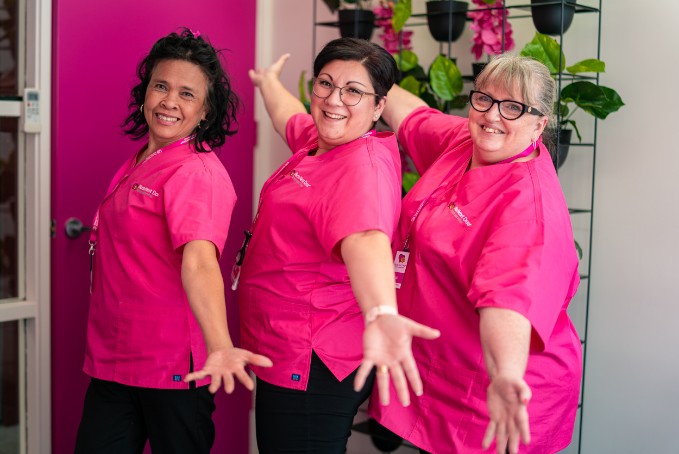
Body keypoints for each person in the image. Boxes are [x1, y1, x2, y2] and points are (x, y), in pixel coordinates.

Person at [370, 54, 583, 454]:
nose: (492, 116)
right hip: (442, 366)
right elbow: (414, 116)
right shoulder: (464, 142)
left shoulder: (529, 207)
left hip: (498, 391)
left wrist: (505, 374)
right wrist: (366, 72)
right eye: (484, 98)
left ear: (540, 124)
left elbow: (508, 302)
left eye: (513, 107)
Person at [74, 28, 271, 454]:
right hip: (113, 358)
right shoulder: (143, 159)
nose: (169, 102)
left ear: (204, 112)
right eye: (161, 86)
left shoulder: (196, 172)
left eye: (187, 94)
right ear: (145, 92)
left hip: (172, 367)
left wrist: (220, 346)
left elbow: (199, 260)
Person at [242, 37, 440, 453]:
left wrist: (382, 312)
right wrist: (267, 82)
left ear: (379, 107)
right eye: (326, 84)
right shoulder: (321, 142)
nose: (335, 99)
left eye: (354, 91)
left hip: (313, 358)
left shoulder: (360, 170)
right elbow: (289, 118)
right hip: (289, 347)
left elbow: (365, 239)